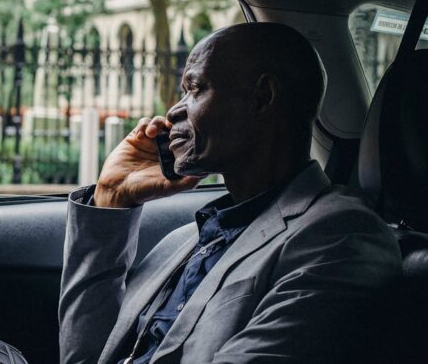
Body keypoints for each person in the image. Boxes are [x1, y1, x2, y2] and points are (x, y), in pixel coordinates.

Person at [58, 22, 401, 364]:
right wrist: (111, 196)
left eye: (195, 89)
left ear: (263, 97)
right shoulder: (183, 241)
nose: (174, 110)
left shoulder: (343, 239)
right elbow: (84, 357)